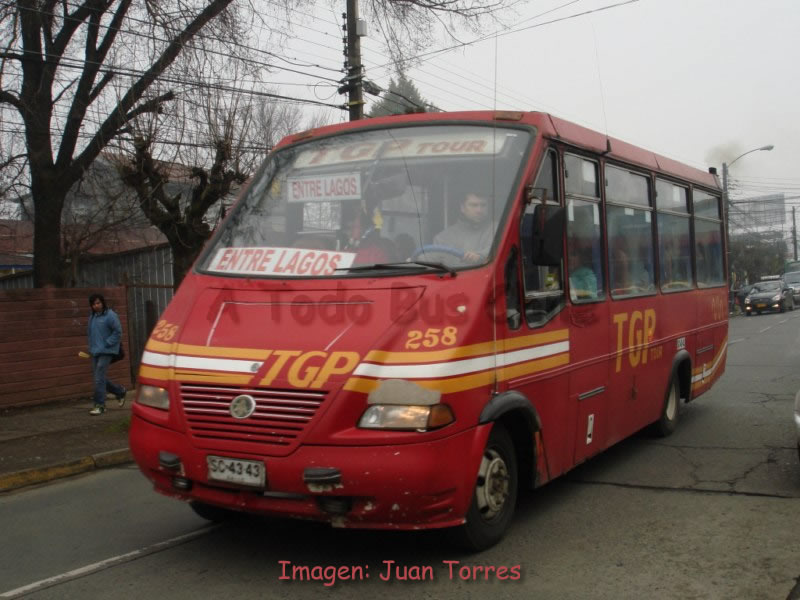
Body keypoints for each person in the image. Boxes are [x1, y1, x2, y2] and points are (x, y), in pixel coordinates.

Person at [87, 293, 126, 415]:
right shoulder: (92, 317)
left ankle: (100, 405)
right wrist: (92, 348)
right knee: (99, 378)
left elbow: (118, 332)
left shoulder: (110, 315)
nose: (96, 306)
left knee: (99, 378)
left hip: (107, 350)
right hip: (95, 351)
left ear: (103, 303)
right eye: (93, 304)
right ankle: (119, 391)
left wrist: (108, 343)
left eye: (98, 303)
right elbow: (91, 334)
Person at [432, 193, 494, 264]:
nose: (479, 210)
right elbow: (434, 264)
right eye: (473, 205)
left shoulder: (499, 229)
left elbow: (498, 249)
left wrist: (481, 256)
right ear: (462, 208)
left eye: (483, 205)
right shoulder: (443, 237)